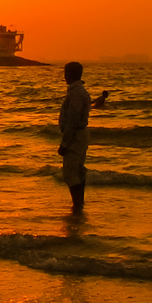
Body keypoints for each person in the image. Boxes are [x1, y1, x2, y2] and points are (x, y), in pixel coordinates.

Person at [58, 62, 90, 214]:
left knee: (70, 173)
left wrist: (65, 143)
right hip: (80, 134)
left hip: (76, 135)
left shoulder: (76, 93)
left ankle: (77, 205)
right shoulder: (80, 91)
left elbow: (72, 120)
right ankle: (79, 205)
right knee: (78, 171)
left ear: (69, 74)